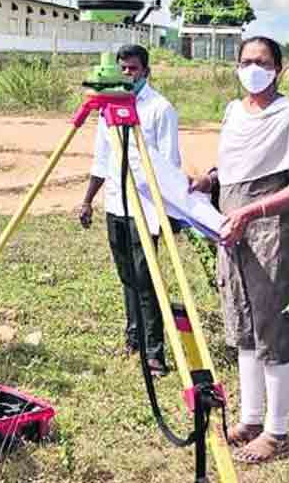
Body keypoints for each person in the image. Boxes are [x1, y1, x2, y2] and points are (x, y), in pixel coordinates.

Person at [189, 36, 289, 464]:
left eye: (262, 62)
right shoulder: (232, 111)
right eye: (246, 61)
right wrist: (209, 181)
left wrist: (253, 210)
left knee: (272, 330)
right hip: (232, 230)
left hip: (268, 234)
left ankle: (277, 432)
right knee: (242, 327)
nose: (253, 69)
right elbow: (232, 167)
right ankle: (251, 417)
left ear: (278, 68)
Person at [79, 44, 181, 377]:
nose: (127, 75)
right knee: (127, 277)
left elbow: (170, 164)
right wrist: (87, 200)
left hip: (147, 208)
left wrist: (170, 212)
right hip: (115, 202)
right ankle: (133, 339)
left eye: (133, 69)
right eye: (122, 69)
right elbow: (101, 159)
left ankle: (155, 353)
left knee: (146, 278)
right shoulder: (108, 109)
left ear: (146, 71)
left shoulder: (160, 108)